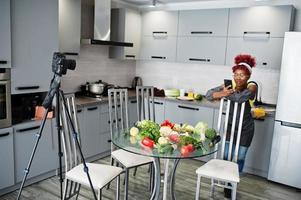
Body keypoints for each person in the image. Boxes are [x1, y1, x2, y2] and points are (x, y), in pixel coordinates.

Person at [205, 54, 257, 198]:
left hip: (246, 128)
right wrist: (223, 92)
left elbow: (241, 98)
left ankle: (233, 182)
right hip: (230, 127)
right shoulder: (229, 85)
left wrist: (223, 94)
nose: (238, 78)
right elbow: (208, 95)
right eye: (236, 74)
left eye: (242, 75)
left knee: (239, 157)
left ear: (248, 76)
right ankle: (227, 184)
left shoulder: (252, 85)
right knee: (227, 156)